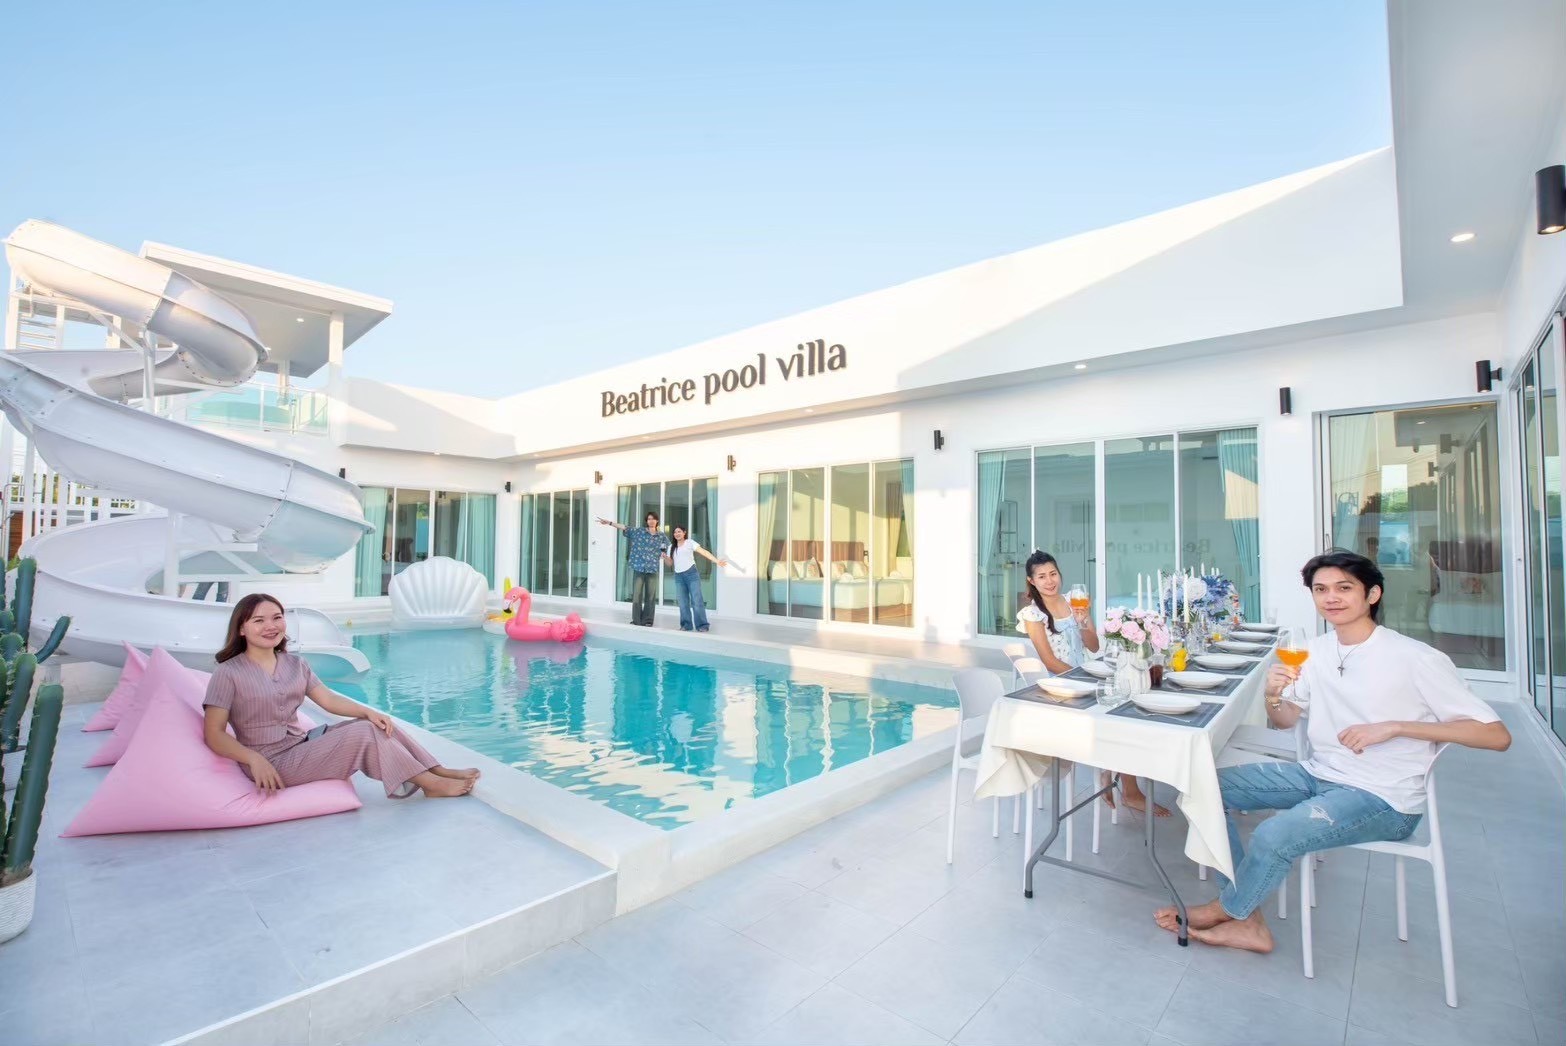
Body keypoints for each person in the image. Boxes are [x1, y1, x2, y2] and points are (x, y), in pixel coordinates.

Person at [1154, 550, 1511, 952]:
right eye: (1321, 589)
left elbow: (1496, 736)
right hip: (1319, 774)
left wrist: (1395, 726)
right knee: (1204, 788)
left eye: (1344, 588)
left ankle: (1228, 909)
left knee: (1272, 834)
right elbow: (1285, 720)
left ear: (1372, 594)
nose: (1331, 598)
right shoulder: (1317, 651)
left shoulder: (1416, 658)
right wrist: (1272, 694)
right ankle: (1247, 918)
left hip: (1384, 798)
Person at [202, 594, 480, 799]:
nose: (271, 626)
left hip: (302, 745)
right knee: (363, 733)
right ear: (241, 629)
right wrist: (254, 759)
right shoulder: (228, 673)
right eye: (259, 620)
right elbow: (214, 734)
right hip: (270, 762)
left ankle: (436, 769)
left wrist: (368, 712)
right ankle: (430, 785)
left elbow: (328, 700)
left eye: (277, 617)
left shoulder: (295, 664)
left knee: (376, 724)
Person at [1015, 551, 1165, 818]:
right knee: (1119, 714)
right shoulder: (1032, 613)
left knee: (1129, 708)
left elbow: (1094, 646)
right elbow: (1049, 662)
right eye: (1042, 577)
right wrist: (1087, 678)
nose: (1049, 581)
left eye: (1053, 574)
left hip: (1084, 679)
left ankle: (1114, 774)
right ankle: (1124, 786)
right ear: (1031, 581)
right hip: (1059, 689)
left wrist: (1083, 621)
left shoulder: (1073, 601)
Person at [598, 511, 670, 626]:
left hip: (652, 569)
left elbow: (667, 549)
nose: (651, 521)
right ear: (646, 521)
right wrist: (610, 523)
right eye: (649, 519)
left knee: (650, 596)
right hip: (639, 567)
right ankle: (636, 620)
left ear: (657, 521)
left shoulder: (661, 536)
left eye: (653, 519)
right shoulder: (639, 531)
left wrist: (664, 555)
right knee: (637, 595)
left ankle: (648, 620)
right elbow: (624, 527)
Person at [663, 524, 727, 632]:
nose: (677, 534)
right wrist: (665, 557)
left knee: (697, 600)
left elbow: (704, 552)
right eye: (675, 532)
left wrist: (716, 561)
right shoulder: (671, 547)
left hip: (691, 574)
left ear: (684, 533)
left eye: (679, 531)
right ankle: (686, 625)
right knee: (682, 602)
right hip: (679, 576)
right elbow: (669, 563)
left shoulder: (690, 543)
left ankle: (702, 625)